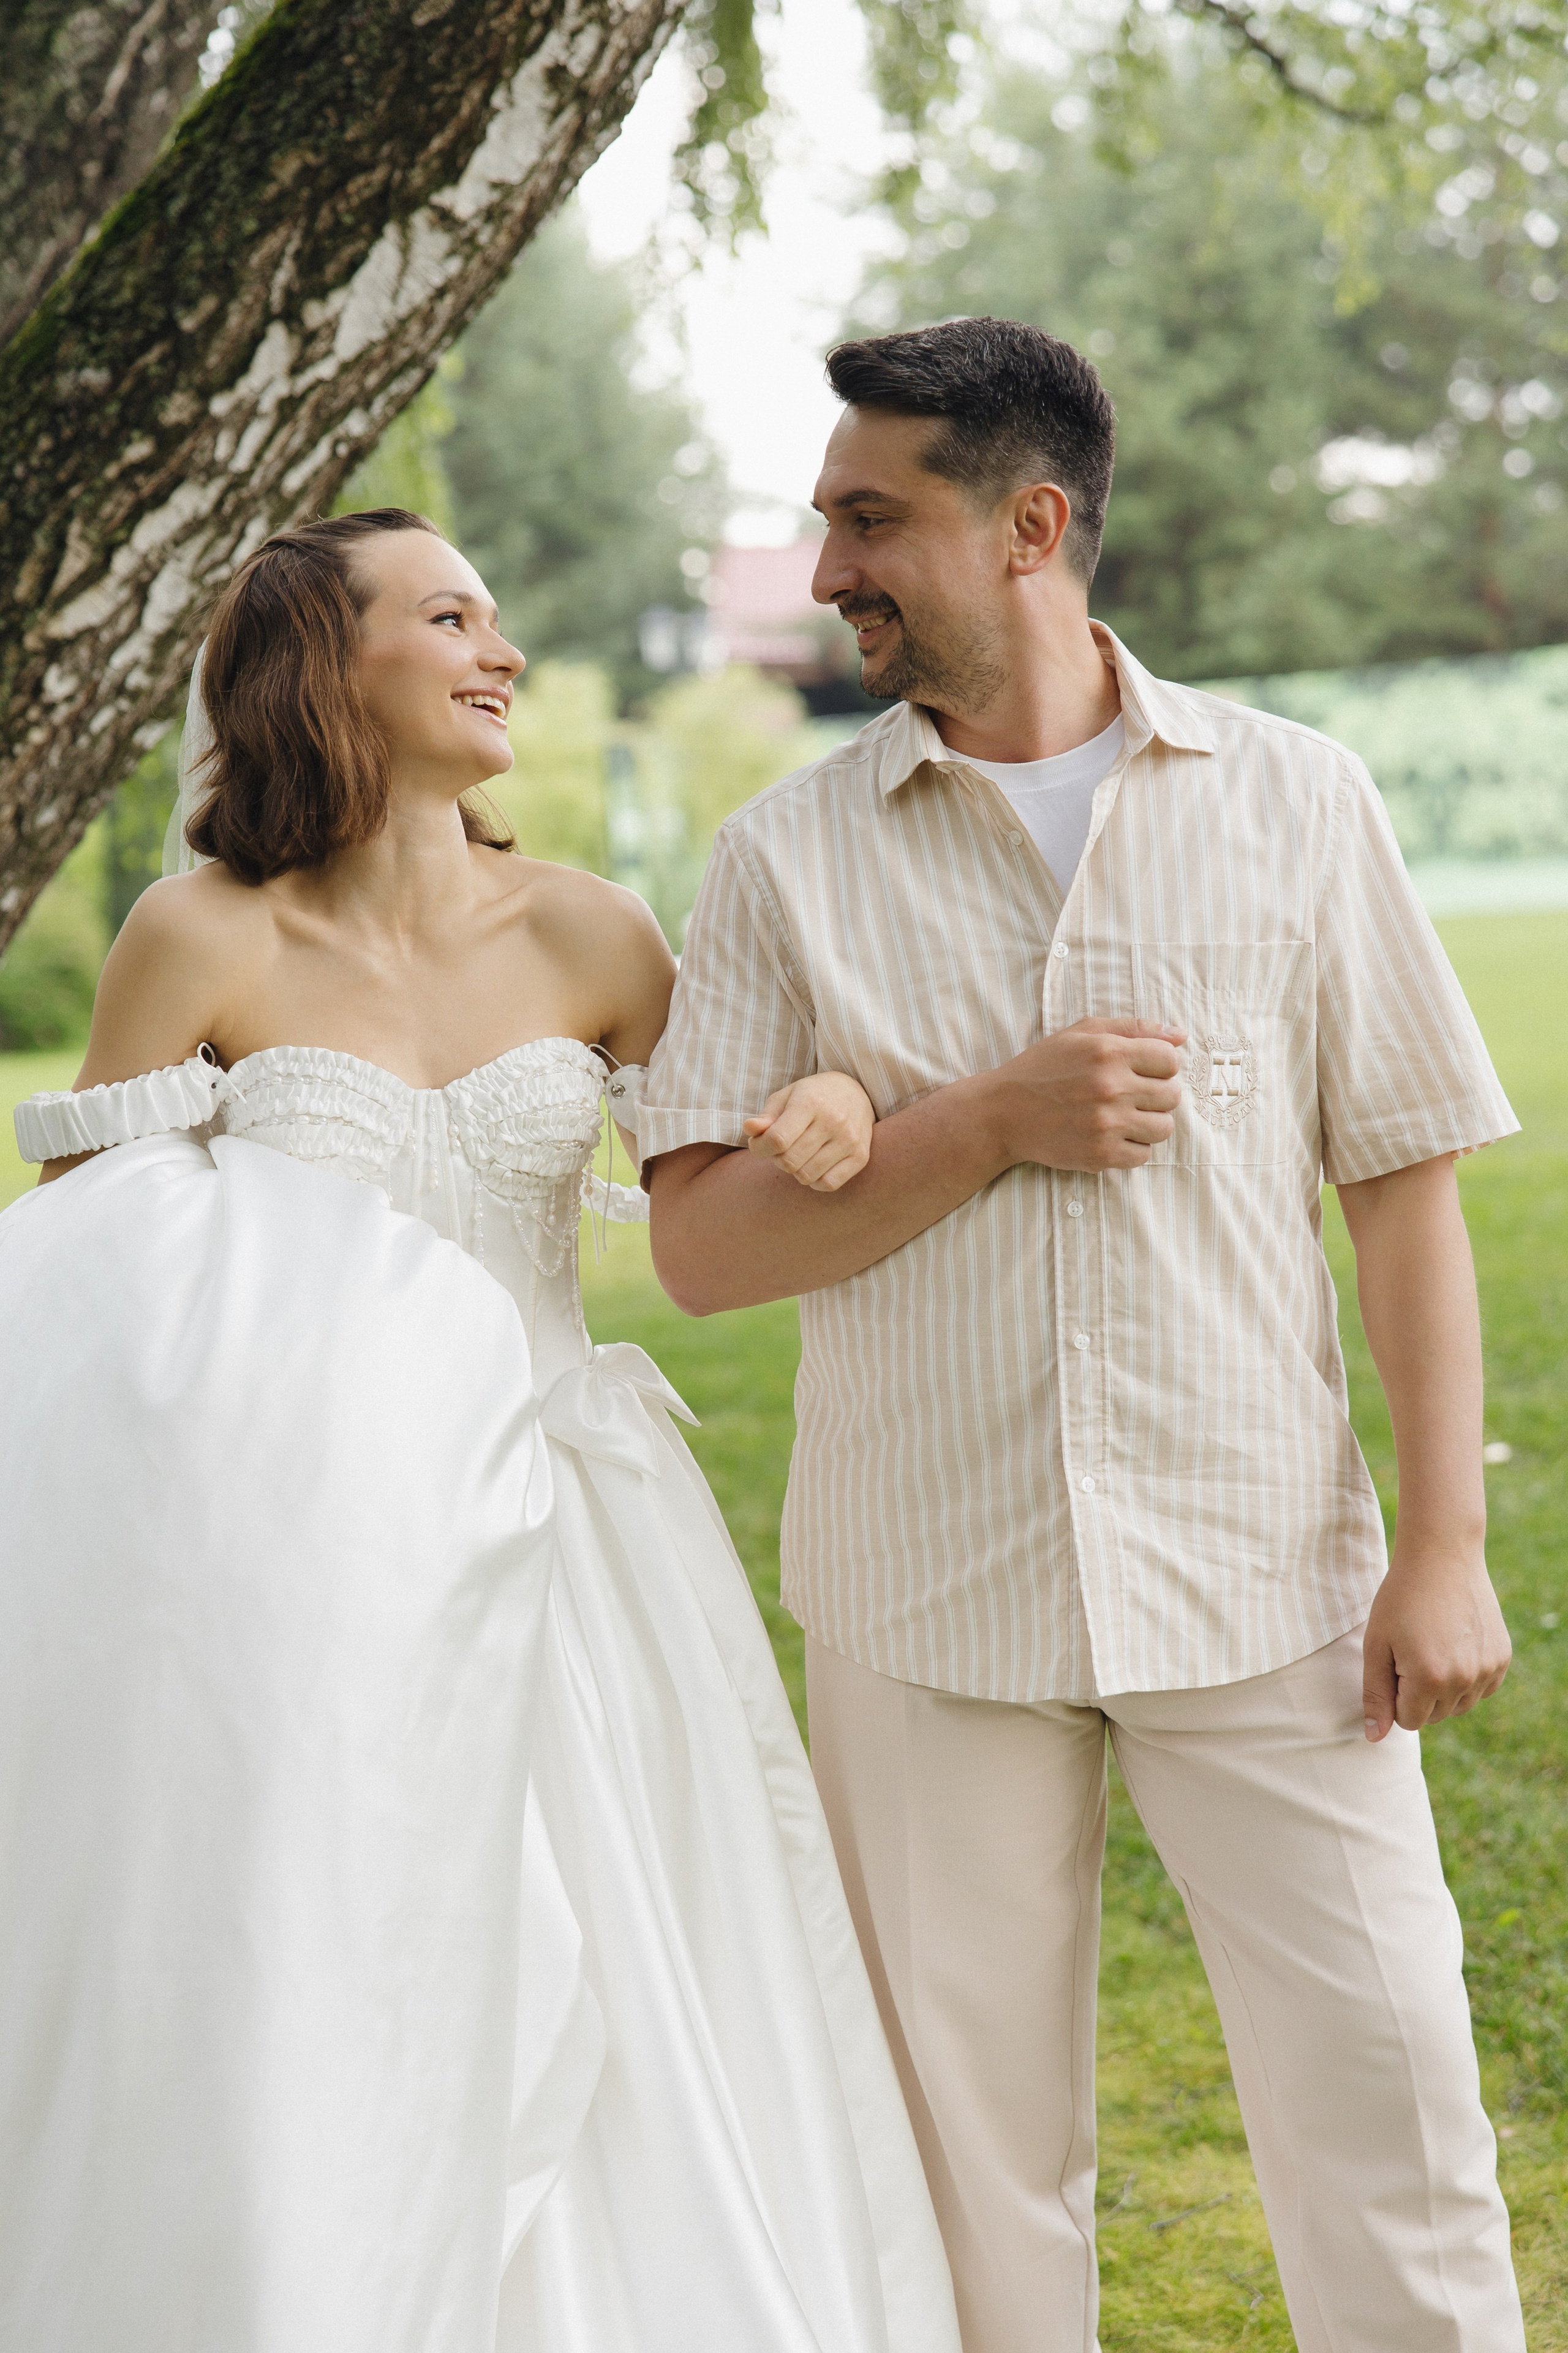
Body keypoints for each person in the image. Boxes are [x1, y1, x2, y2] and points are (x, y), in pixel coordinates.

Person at [641, 319, 1526, 2353]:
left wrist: (1444, 1545)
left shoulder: (1299, 803)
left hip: (1265, 1577)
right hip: (924, 1591)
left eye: (874, 518)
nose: (832, 563)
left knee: (1388, 2104)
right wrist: (978, 1125)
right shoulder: (784, 859)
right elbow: (698, 1249)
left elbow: (1401, 1183)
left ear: (1030, 523)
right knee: (966, 2166)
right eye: (826, 521)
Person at [0, 508, 962, 2353]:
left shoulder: (594, 927)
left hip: (574, 1532)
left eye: (498, 618)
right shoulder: (199, 933)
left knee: (649, 1974)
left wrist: (830, 1100)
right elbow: (94, 1304)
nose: (501, 649)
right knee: (336, 1963)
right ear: (323, 662)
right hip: (305, 1564)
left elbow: (730, 1133)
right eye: (451, 617)